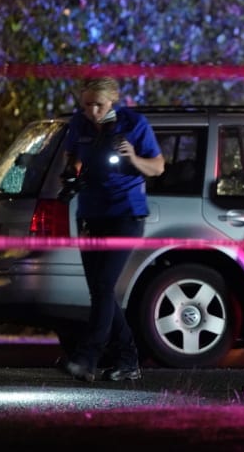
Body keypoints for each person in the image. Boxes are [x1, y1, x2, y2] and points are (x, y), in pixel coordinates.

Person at [57, 77, 165, 383]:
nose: (92, 110)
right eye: (87, 104)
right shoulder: (79, 123)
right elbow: (73, 159)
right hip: (90, 215)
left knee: (104, 286)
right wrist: (70, 173)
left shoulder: (134, 123)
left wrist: (132, 158)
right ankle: (128, 361)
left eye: (99, 104)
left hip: (125, 215)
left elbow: (158, 167)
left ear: (114, 99)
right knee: (100, 292)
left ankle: (85, 359)